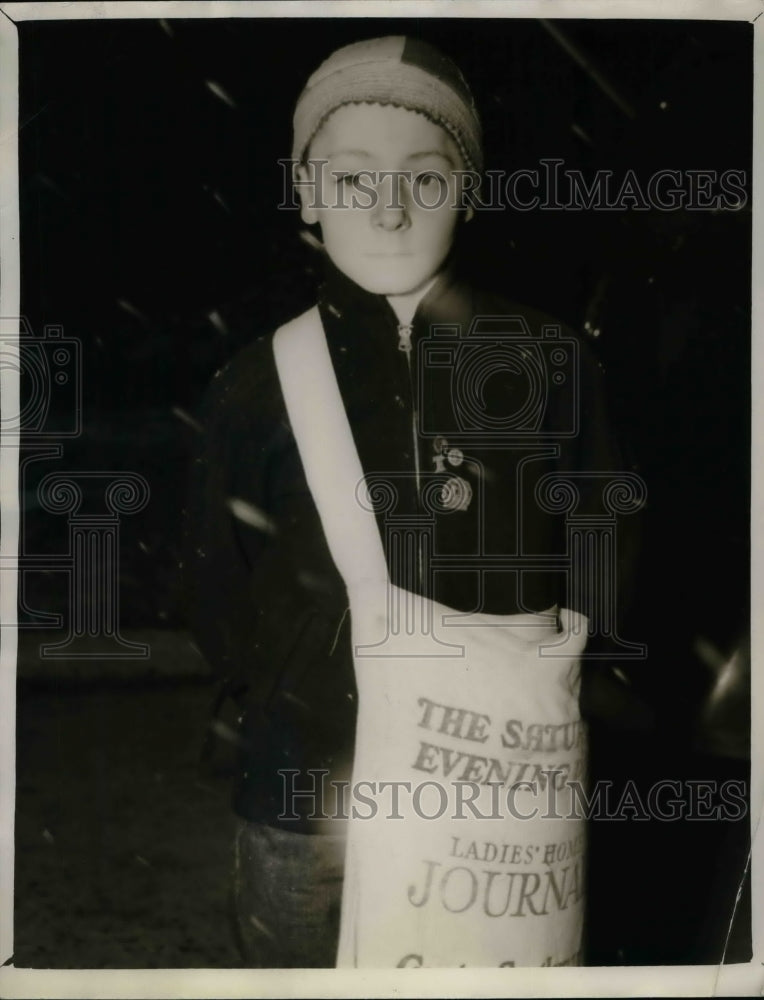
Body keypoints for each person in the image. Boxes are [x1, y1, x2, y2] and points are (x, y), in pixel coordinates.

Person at [185, 35, 627, 969]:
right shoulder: (254, 384)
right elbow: (216, 587)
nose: (388, 208)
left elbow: (607, 555)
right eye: (351, 179)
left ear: (465, 192)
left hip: (495, 804)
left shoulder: (551, 363)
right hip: (308, 804)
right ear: (305, 194)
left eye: (425, 180)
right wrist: (296, 699)